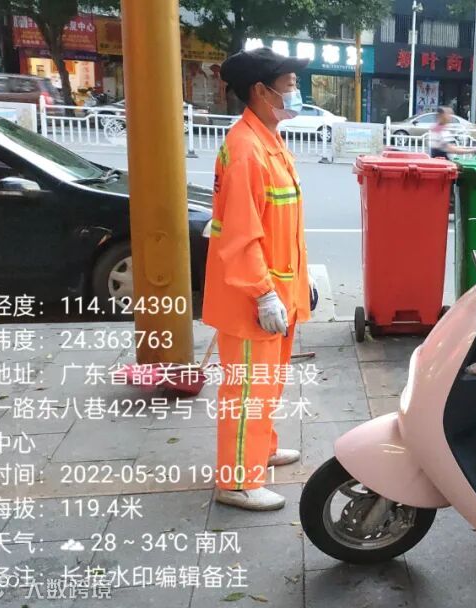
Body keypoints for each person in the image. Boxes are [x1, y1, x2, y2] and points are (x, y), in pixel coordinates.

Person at [203, 47, 314, 511]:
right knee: (247, 389)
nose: (295, 91)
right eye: (289, 84)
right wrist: (264, 294)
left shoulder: (268, 140)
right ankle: (236, 481)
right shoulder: (247, 150)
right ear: (260, 91)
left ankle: (260, 450)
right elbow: (240, 236)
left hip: (278, 292)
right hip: (253, 299)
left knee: (266, 383)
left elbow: (280, 227)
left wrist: (299, 283)